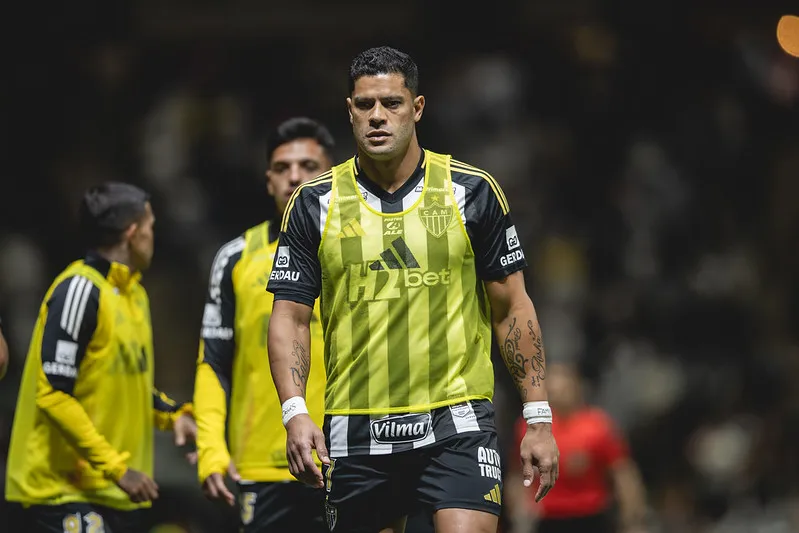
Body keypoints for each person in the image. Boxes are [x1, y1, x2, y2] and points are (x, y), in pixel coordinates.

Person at [266, 46, 559, 533]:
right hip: (356, 428)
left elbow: (512, 308)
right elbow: (291, 317)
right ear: (349, 111)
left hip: (457, 423)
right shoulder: (313, 203)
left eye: (392, 103)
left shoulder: (473, 191)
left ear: (417, 108)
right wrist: (295, 412)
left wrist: (539, 417)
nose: (377, 116)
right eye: (364, 105)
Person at [5, 182, 197, 533]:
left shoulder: (134, 294)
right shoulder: (79, 289)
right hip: (61, 492)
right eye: (151, 226)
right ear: (132, 232)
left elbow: (128, 382)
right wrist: (118, 469)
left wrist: (174, 417)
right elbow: (53, 393)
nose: (154, 236)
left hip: (114, 493)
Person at [193, 117, 334, 532]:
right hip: (259, 466)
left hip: (348, 457)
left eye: (308, 166)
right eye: (281, 168)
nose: (294, 176)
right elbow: (213, 363)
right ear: (268, 180)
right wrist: (210, 449)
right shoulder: (235, 258)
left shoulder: (360, 249)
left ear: (332, 174)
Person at [506, 362, 648, 533]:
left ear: (576, 387)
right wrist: (518, 513)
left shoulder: (598, 426)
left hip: (591, 516)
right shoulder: (531, 428)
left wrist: (633, 519)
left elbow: (623, 473)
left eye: (564, 388)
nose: (558, 394)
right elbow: (516, 473)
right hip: (547, 519)